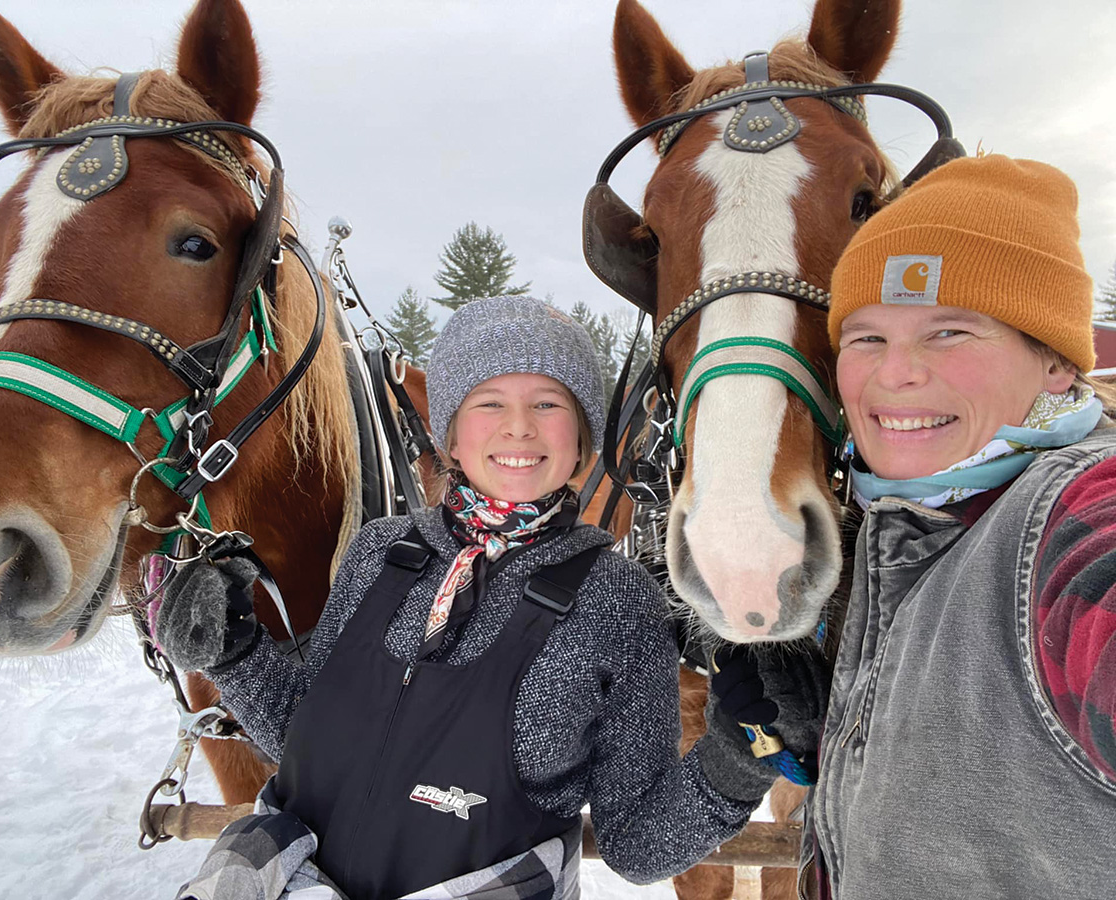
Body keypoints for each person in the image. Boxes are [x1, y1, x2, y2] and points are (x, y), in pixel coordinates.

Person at [152, 295, 825, 900]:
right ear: (450, 429)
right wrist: (234, 652)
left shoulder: (618, 603)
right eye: (489, 402)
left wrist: (737, 761)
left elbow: (637, 846)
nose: (519, 428)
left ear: (582, 434)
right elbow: (307, 742)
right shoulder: (381, 552)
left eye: (548, 403)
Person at [800, 154, 1116, 899]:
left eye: (950, 332)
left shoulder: (1074, 508)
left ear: (1056, 367)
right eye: (865, 337)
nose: (896, 372)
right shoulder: (915, 532)